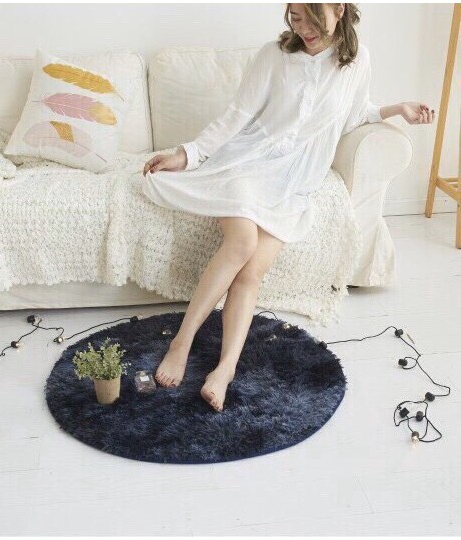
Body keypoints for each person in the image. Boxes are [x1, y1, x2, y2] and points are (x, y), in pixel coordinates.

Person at [140, 3, 434, 412]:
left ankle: (225, 369)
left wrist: (396, 109)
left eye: (312, 18)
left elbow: (352, 115)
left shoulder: (357, 60)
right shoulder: (274, 56)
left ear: (339, 8)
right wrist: (187, 154)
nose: (303, 28)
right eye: (295, 17)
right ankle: (182, 342)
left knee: (252, 272)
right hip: (248, 162)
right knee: (241, 244)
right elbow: (236, 115)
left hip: (295, 179)